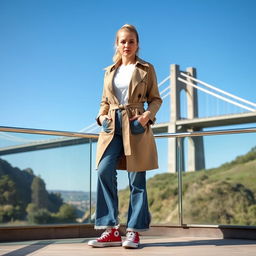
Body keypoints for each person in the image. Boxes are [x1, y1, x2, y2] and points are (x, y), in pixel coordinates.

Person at [88, 24, 162, 249]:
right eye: (123, 41)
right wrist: (101, 119)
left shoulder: (147, 68)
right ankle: (110, 230)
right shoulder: (110, 71)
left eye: (131, 41)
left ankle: (133, 231)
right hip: (111, 126)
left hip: (135, 124)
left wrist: (146, 117)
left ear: (137, 44)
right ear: (117, 44)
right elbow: (104, 101)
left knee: (136, 180)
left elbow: (156, 99)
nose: (127, 45)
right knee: (103, 171)